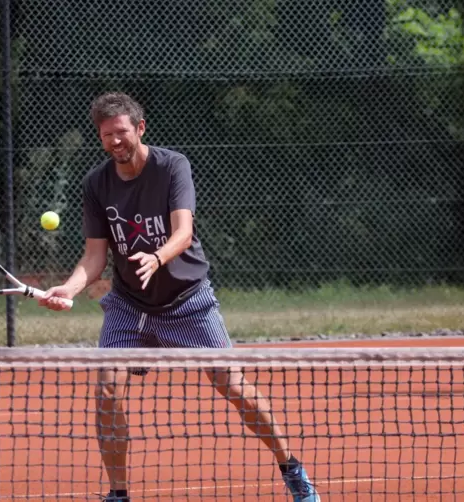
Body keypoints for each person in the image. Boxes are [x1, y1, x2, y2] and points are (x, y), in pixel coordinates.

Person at [38, 91, 321, 502]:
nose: (115, 142)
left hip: (189, 300)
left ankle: (291, 467)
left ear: (140, 128)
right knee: (107, 390)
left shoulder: (172, 167)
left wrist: (156, 257)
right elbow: (95, 256)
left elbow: (183, 232)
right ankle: (118, 494)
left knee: (233, 386)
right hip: (130, 307)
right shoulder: (96, 183)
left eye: (121, 132)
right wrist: (70, 287)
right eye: (106, 135)